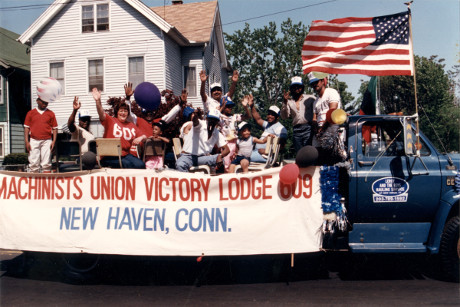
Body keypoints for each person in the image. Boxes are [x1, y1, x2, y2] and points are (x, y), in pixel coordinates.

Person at [93, 88, 147, 169]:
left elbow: (144, 136)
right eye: (121, 111)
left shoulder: (131, 125)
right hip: (109, 156)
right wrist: (98, 101)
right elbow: (101, 113)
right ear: (117, 112)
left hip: (125, 155)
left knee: (141, 165)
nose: (123, 113)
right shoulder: (110, 120)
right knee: (128, 165)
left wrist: (140, 137)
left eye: (125, 111)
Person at [24, 94, 58, 173]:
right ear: (37, 101)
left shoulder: (51, 113)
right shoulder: (31, 113)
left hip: (47, 140)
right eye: (43, 102)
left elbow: (55, 129)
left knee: (46, 163)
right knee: (33, 163)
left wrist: (54, 141)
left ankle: (46, 180)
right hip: (34, 140)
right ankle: (34, 181)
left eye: (46, 102)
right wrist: (27, 141)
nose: (44, 104)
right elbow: (26, 128)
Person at [248, 95, 287, 163]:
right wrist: (252, 106)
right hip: (256, 152)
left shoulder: (281, 129)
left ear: (277, 117)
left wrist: (267, 151)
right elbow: (258, 119)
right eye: (269, 114)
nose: (269, 116)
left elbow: (282, 146)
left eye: (272, 115)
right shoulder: (267, 124)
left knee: (244, 158)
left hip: (266, 156)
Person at [281, 76, 316, 152]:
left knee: (308, 152)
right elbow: (284, 116)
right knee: (299, 154)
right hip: (296, 130)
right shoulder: (289, 102)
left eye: (299, 87)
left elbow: (320, 107)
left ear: (302, 87)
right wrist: (284, 102)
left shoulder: (310, 98)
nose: (297, 89)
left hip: (308, 128)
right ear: (291, 89)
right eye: (294, 87)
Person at [219, 95, 251, 171]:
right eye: (227, 106)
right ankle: (227, 181)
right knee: (226, 165)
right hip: (226, 143)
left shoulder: (234, 116)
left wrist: (245, 107)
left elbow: (248, 116)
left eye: (231, 106)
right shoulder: (220, 117)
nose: (230, 108)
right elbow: (214, 116)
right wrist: (221, 108)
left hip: (235, 143)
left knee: (233, 164)